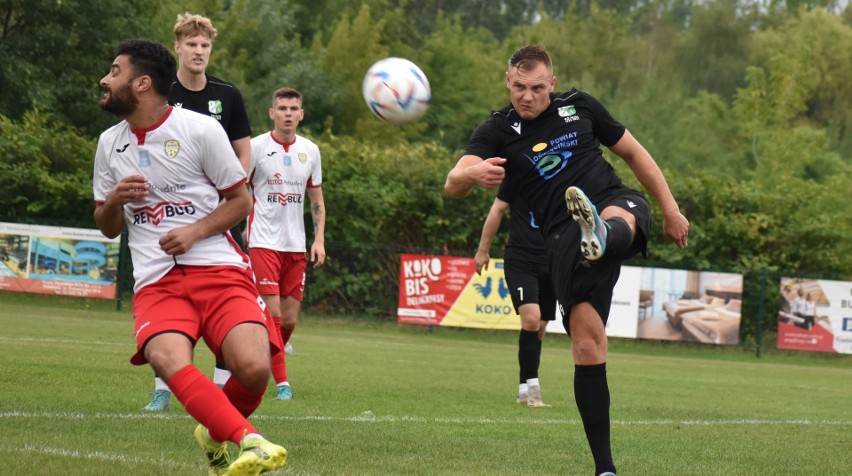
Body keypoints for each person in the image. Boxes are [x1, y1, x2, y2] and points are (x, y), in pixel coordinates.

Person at [445, 45, 689, 476]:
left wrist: (671, 209)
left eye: (538, 88)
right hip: (561, 240)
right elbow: (453, 182)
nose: (527, 96)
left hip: (612, 201)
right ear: (508, 82)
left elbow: (634, 153)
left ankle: (601, 230)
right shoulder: (497, 130)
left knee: (622, 212)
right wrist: (470, 174)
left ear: (552, 85)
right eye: (519, 87)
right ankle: (606, 469)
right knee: (588, 346)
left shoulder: (580, 107)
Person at [93, 38, 287, 475]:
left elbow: (240, 201)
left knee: (255, 369)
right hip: (157, 281)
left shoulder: (200, 130)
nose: (105, 80)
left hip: (219, 269)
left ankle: (213, 430)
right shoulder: (109, 144)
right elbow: (107, 226)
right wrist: (113, 202)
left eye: (115, 71)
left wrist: (195, 230)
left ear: (142, 83)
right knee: (167, 359)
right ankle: (248, 440)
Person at [144, 12, 254, 411]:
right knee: (171, 300)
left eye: (205, 45)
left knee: (229, 297)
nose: (199, 51)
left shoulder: (227, 95)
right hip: (171, 213)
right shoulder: (159, 91)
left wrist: (231, 183)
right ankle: (162, 388)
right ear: (177, 47)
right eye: (192, 44)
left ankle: (221, 390)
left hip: (219, 215)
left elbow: (244, 151)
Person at [247, 87, 326, 401]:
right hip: (263, 241)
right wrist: (243, 223)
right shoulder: (255, 147)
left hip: (296, 245)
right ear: (272, 113)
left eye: (294, 108)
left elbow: (316, 200)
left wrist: (318, 239)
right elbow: (238, 189)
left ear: (301, 114)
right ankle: (282, 385)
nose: (288, 113)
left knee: (289, 320)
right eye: (282, 108)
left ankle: (265, 355)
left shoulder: (311, 151)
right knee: (275, 313)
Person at [474, 177, 555, 408]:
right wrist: (483, 250)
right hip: (521, 259)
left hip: (551, 260)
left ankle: (523, 390)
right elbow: (497, 209)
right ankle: (534, 392)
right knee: (531, 320)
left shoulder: (562, 181)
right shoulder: (518, 177)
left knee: (539, 326)